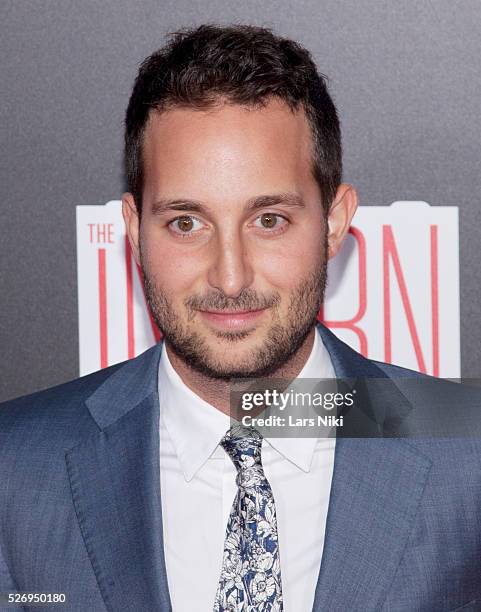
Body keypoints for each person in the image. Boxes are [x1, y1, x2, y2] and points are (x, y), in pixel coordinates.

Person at [1, 23, 480, 612]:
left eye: (269, 220)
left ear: (333, 223)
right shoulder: (14, 472)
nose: (230, 278)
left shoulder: (470, 458)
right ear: (133, 230)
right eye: (186, 223)